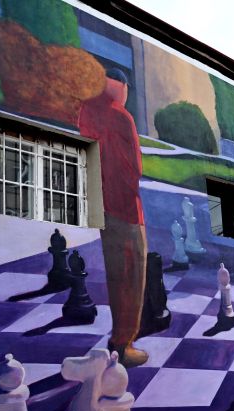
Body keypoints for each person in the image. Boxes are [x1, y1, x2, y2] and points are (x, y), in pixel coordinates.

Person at [78, 68, 148, 368]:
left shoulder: (87, 111)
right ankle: (125, 342)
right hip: (127, 211)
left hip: (103, 207)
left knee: (115, 275)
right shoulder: (122, 116)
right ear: (122, 87)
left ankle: (118, 339)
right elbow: (135, 168)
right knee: (132, 278)